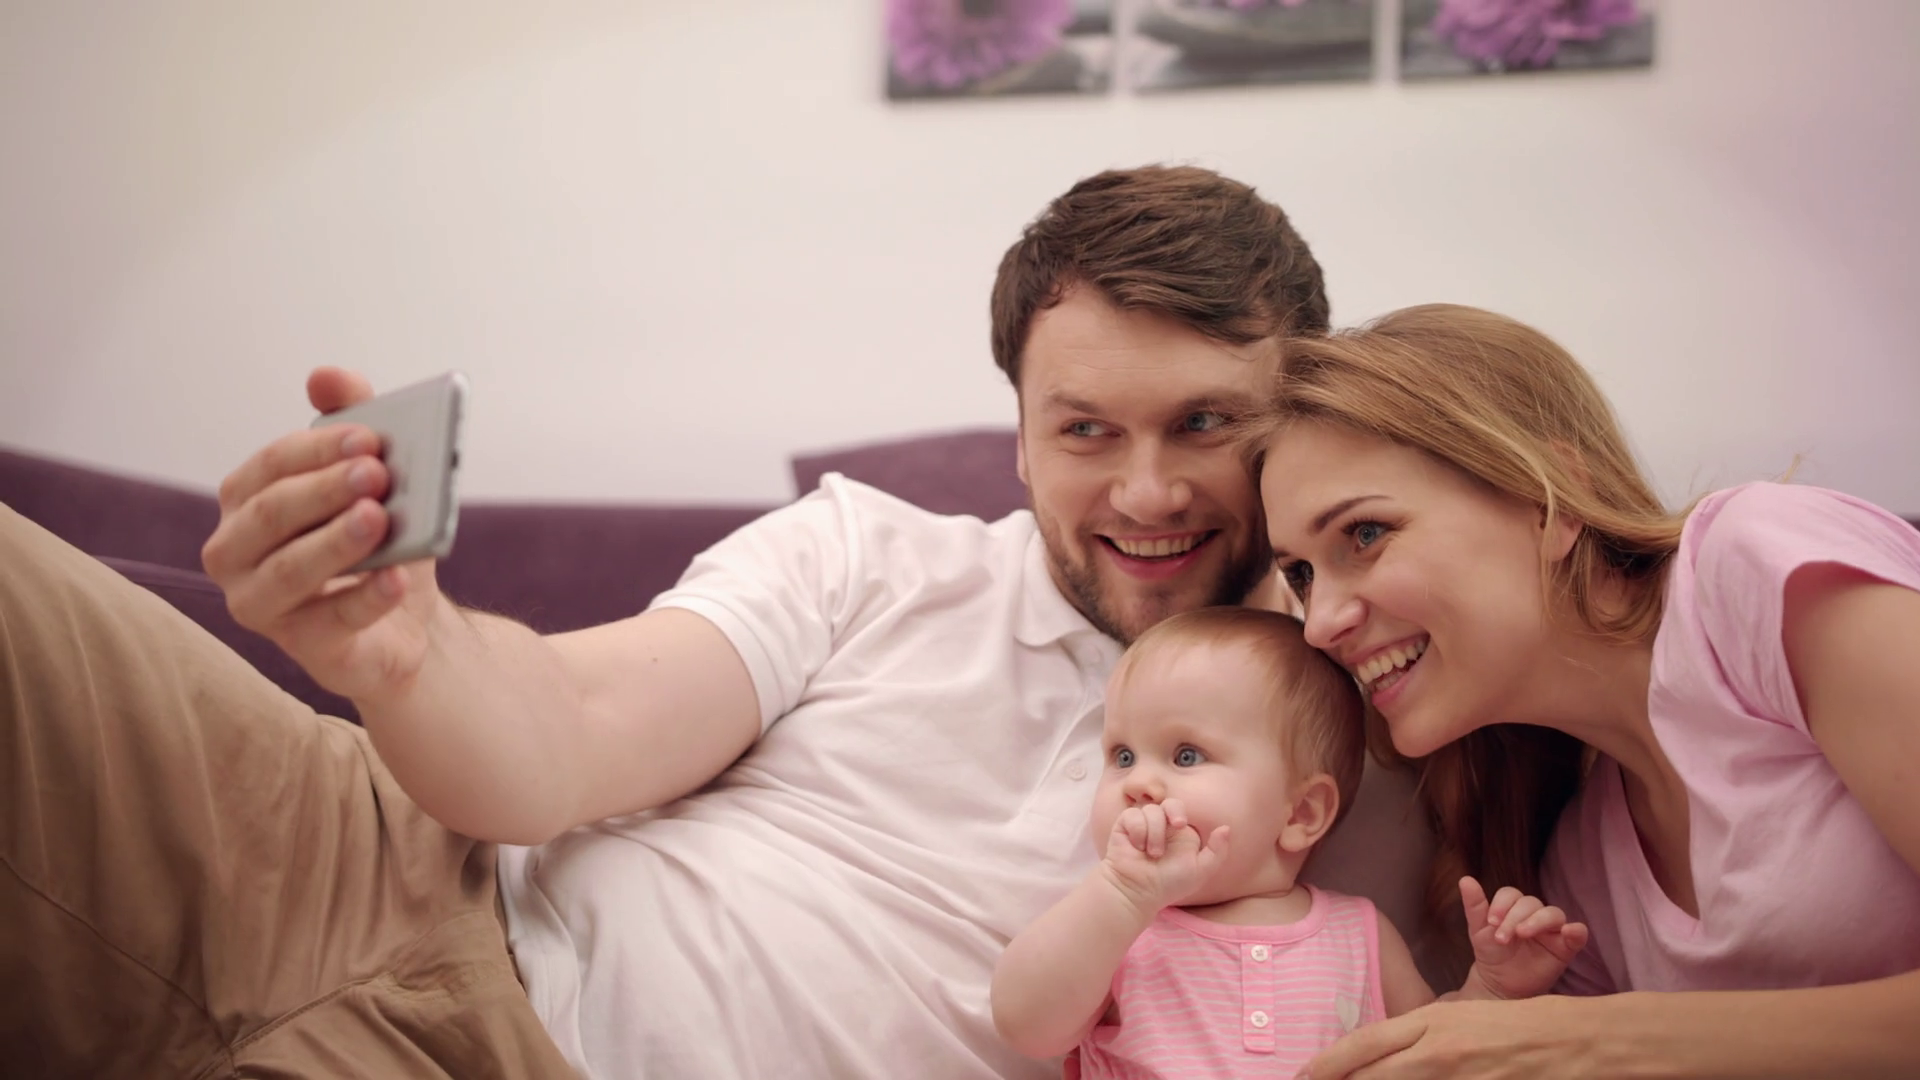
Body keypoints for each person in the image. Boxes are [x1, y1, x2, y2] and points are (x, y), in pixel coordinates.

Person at [0, 165, 1356, 1079]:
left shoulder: (1346, 721)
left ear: (1290, 420)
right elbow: (566, 741)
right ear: (1016, 439)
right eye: (1084, 431)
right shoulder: (870, 553)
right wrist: (406, 654)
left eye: (1204, 424)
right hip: (360, 846)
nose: (1144, 489)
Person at [1255, 303, 1920, 1079]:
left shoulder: (1751, 565)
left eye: (1364, 535)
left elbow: (1601, 1051)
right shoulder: (1581, 868)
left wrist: (1589, 1038)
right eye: (1300, 576)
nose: (1320, 623)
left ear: (1555, 500)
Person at [990, 606, 1586, 1078]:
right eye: (1121, 755)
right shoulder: (1120, 933)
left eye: (1186, 755)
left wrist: (1493, 989)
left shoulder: (1359, 934)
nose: (1139, 783)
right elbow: (1027, 1025)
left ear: (1301, 813)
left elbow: (1431, 1056)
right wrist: (1120, 895)